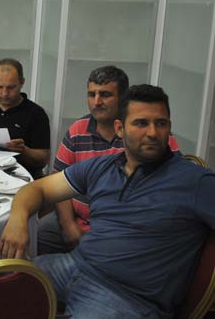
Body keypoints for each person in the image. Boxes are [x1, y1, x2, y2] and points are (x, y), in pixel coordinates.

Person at [0, 84, 215, 319]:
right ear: (120, 128)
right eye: (141, 123)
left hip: (126, 298)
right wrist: (18, 218)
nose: (153, 132)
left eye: (161, 123)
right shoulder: (102, 167)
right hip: (74, 266)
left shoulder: (194, 181)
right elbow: (37, 188)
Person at [38, 65, 180, 254]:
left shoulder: (147, 136)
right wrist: (68, 225)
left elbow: (175, 180)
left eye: (105, 95)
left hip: (124, 228)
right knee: (36, 234)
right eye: (91, 95)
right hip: (77, 219)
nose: (96, 102)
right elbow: (58, 178)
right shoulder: (77, 130)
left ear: (123, 98)